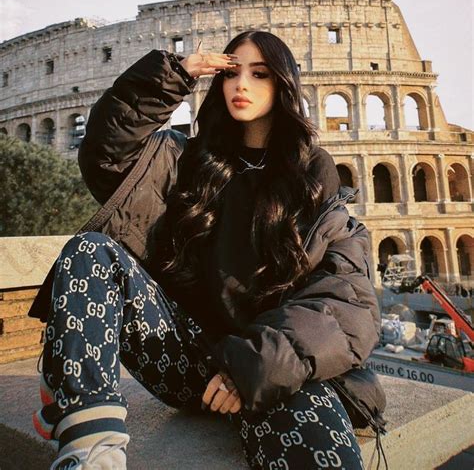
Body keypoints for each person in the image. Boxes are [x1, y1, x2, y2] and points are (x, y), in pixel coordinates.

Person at [29, 31, 386, 469]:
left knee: (307, 418)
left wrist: (249, 368)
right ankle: (92, 452)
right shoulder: (187, 163)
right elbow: (106, 154)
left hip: (270, 372)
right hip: (188, 360)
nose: (242, 85)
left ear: (284, 85)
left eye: (260, 74)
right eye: (231, 73)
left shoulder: (316, 181)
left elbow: (345, 307)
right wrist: (174, 74)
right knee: (91, 250)